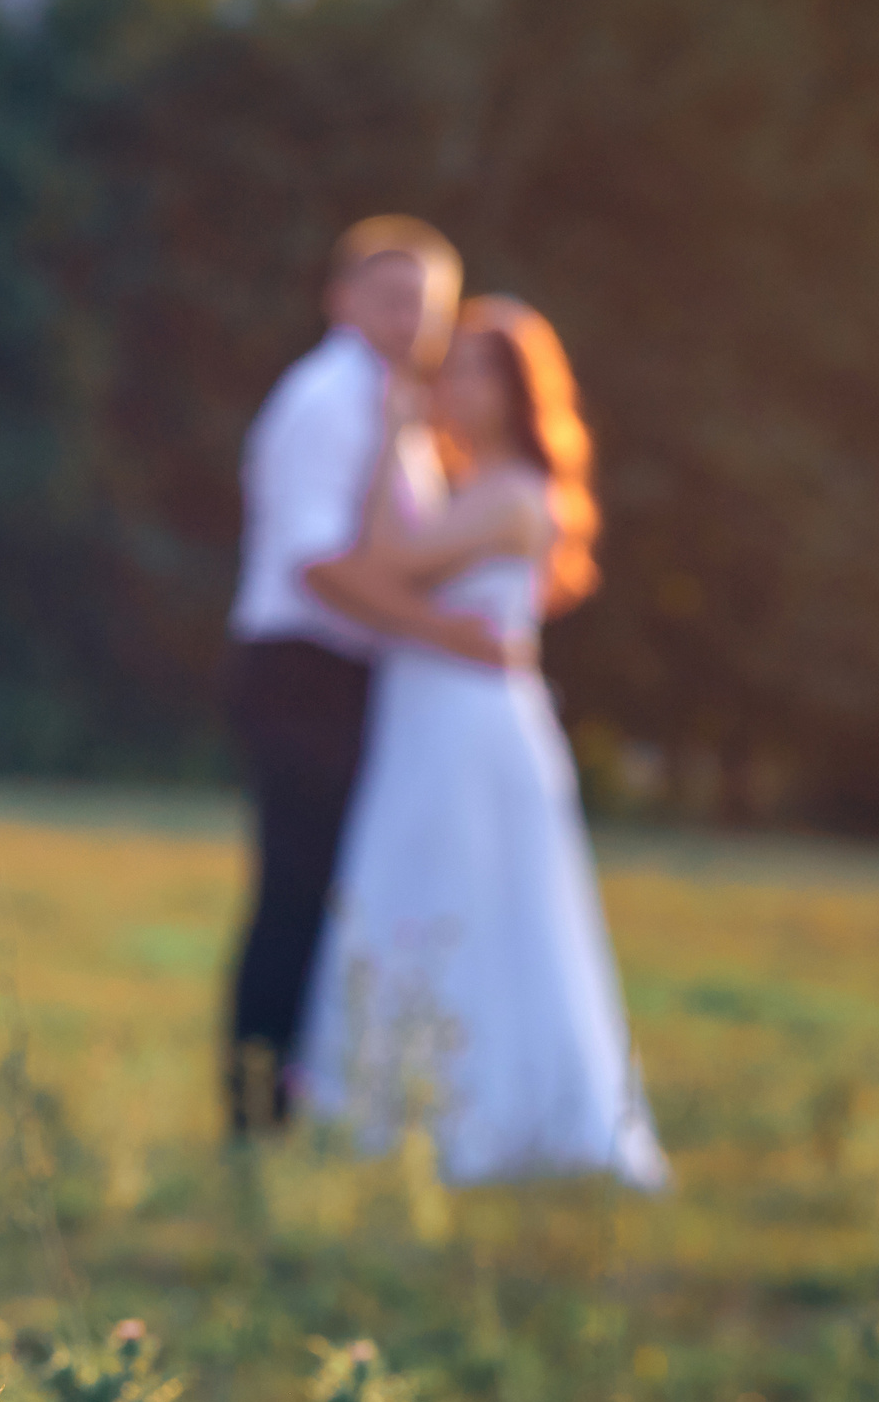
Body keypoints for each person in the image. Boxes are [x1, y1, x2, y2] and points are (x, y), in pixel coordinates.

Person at [296, 296, 668, 1188]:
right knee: (412, 894)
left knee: (469, 907)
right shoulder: (472, 487)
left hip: (471, 730)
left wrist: (393, 433)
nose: (448, 385)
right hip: (430, 712)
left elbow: (390, 556)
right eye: (448, 367)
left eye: (469, 369)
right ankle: (395, 1101)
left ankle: (478, 1115)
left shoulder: (513, 495)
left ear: (513, 391)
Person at [223, 218, 523, 1135]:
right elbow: (316, 564)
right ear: (340, 298)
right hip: (305, 668)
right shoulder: (328, 398)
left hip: (362, 674)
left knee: (341, 894)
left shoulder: (399, 408)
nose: (410, 322)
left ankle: (319, 1099)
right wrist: (444, 634)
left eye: (428, 307)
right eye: (391, 299)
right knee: (297, 894)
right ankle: (257, 1114)